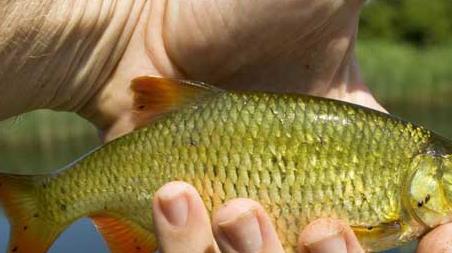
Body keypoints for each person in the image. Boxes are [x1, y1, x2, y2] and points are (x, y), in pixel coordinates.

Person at [0, 1, 450, 252]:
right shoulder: (395, 214)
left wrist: (117, 41)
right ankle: (42, 202)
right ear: (428, 179)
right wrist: (128, 34)